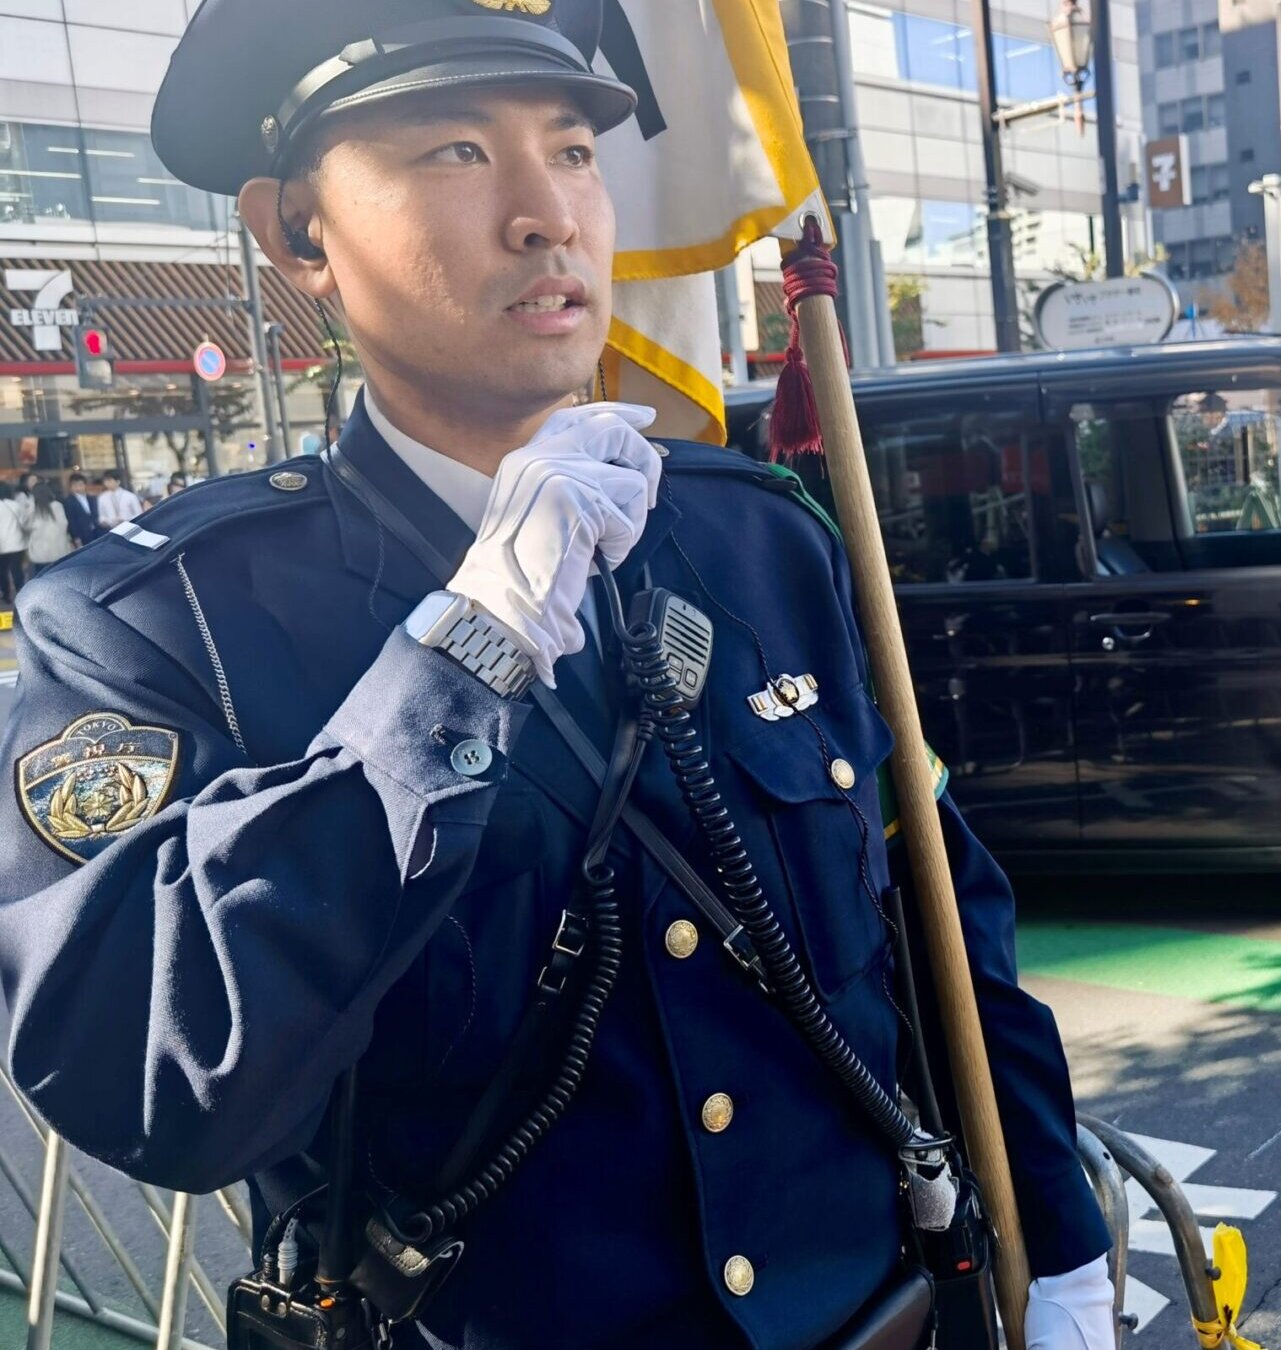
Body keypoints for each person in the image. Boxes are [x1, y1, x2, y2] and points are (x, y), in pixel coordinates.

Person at [0, 3, 1114, 1349]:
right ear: (299, 232)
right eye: (458, 153)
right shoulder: (159, 620)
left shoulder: (759, 536)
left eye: (575, 148)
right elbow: (147, 1078)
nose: (548, 214)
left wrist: (1057, 1241)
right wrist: (466, 654)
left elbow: (941, 918)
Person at [23, 478, 71, 578]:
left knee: (41, 578)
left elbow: (25, 526)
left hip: (39, 553)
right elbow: (64, 525)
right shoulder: (58, 506)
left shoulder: (33, 509)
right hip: (59, 550)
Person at [0, 483, 25, 604]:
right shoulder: (15, 505)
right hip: (16, 543)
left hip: (1, 546)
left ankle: (6, 594)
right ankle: (21, 593)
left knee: (2, 571)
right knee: (17, 569)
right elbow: (23, 522)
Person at [62, 472, 98, 545]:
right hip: (82, 535)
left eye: (80, 485)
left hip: (96, 532)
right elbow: (71, 521)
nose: (78, 487)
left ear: (85, 485)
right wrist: (76, 537)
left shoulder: (92, 498)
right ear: (71, 487)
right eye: (75, 485)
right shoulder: (69, 501)